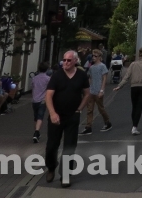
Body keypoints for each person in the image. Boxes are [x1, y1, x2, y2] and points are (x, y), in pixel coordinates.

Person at [44, 50, 91, 185]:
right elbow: (48, 96)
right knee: (52, 145)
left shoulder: (81, 75)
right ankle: (51, 167)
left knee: (70, 146)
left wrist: (79, 109)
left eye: (69, 60)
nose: (65, 62)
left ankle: (65, 174)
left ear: (75, 61)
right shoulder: (57, 76)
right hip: (56, 116)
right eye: (64, 60)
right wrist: (52, 113)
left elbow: (87, 94)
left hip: (72, 116)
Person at [114, 46, 142, 135]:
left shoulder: (133, 64)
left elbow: (127, 77)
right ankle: (135, 127)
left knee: (134, 106)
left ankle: (134, 125)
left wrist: (119, 86)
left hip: (134, 87)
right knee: (140, 107)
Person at [81, 50, 113, 134]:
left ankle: (107, 122)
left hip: (98, 90)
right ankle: (88, 126)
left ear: (99, 57)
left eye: (95, 56)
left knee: (101, 108)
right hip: (91, 90)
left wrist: (102, 90)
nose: (93, 58)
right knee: (89, 109)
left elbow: (104, 79)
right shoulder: (91, 67)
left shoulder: (102, 66)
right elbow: (89, 78)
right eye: (93, 56)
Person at [31, 62, 52, 142]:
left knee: (35, 117)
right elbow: (49, 89)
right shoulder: (48, 79)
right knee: (40, 116)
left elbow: (32, 87)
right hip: (43, 100)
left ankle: (37, 132)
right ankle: (36, 133)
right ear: (47, 69)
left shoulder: (34, 78)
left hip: (34, 100)